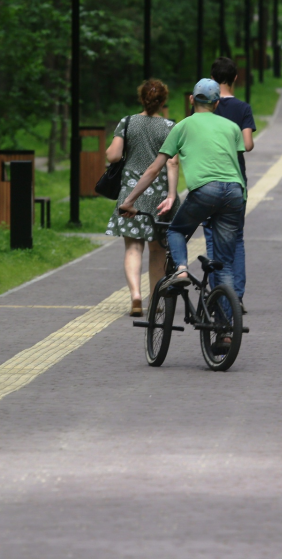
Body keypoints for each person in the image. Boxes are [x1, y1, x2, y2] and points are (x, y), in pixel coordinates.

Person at [119, 79, 246, 347]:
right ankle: (224, 331)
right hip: (235, 193)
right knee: (223, 264)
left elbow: (154, 169)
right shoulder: (232, 127)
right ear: (217, 102)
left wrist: (129, 200)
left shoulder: (183, 126)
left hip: (205, 191)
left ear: (191, 100)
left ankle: (181, 270)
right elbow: (235, 155)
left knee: (176, 230)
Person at [104, 80, 180, 317]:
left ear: (141, 98)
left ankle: (135, 296)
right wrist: (172, 194)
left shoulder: (127, 122)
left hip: (131, 193)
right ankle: (154, 301)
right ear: (163, 100)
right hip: (158, 194)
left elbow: (114, 155)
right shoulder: (170, 126)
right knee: (157, 250)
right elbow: (173, 161)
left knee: (133, 248)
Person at [202, 58, 256, 307]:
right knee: (237, 239)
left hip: (207, 178)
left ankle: (219, 295)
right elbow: (247, 145)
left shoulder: (205, 107)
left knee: (213, 237)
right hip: (236, 180)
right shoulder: (243, 108)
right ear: (236, 78)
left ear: (212, 78)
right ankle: (237, 297)